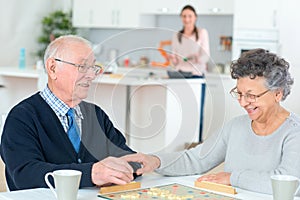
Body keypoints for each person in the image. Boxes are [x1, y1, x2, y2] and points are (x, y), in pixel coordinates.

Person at [122, 48, 300, 195]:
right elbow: (196, 159)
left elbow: (287, 184)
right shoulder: (235, 127)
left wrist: (232, 178)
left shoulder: (294, 133)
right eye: (239, 93)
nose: (243, 102)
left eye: (251, 96)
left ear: (278, 93)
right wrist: (156, 161)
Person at [0, 35, 140, 191]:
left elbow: (125, 157)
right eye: (82, 66)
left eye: (93, 67)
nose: (91, 75)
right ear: (52, 68)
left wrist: (141, 163)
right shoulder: (22, 117)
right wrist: (91, 174)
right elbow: (25, 176)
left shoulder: (95, 114)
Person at [169, 5, 210, 142]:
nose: (187, 19)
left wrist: (196, 57)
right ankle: (180, 141)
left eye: (190, 16)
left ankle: (196, 142)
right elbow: (175, 59)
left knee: (196, 111)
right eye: (184, 16)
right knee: (181, 110)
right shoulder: (177, 35)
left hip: (196, 75)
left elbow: (205, 56)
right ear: (181, 18)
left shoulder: (202, 32)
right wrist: (173, 59)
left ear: (195, 17)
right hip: (180, 75)